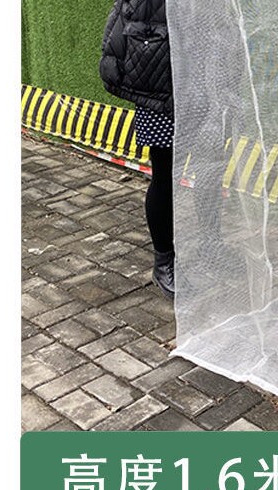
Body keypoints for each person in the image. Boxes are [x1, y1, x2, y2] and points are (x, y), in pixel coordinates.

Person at [100, 0, 175, 298]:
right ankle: (163, 261)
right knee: (164, 174)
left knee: (209, 170)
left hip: (201, 83)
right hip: (156, 86)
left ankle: (212, 245)